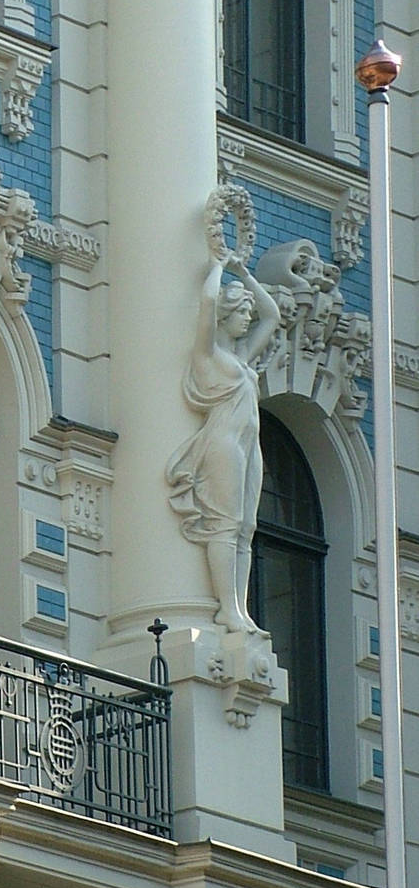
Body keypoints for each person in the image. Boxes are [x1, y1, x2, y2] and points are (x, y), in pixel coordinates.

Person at [166, 250, 281, 632]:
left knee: (246, 528)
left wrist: (244, 273)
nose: (248, 318)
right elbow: (208, 301)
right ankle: (226, 608)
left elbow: (273, 316)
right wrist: (217, 264)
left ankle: (240, 609)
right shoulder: (208, 354)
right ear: (225, 316)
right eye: (241, 312)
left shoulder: (244, 358)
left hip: (249, 449)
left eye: (247, 312)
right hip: (223, 446)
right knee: (227, 525)